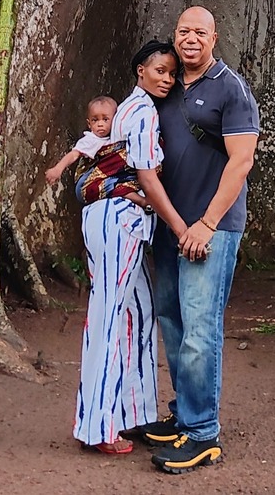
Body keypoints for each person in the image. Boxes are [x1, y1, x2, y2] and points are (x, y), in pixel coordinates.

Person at [140, 6, 260, 473]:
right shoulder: (166, 87)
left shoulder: (231, 90)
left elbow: (241, 162)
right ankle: (185, 416)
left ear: (215, 37)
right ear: (175, 36)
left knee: (200, 328)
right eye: (183, 31)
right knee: (172, 320)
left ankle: (204, 433)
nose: (191, 39)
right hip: (171, 227)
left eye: (200, 32)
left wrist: (206, 224)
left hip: (210, 229)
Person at [72, 43, 189, 456]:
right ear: (141, 70)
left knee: (138, 314)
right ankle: (97, 427)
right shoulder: (139, 112)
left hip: (127, 223)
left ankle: (133, 415)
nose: (167, 78)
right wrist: (178, 224)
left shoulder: (136, 109)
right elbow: (145, 175)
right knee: (107, 317)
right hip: (117, 219)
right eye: (159, 70)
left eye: (172, 74)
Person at [43, 95, 117, 187]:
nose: (100, 124)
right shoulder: (90, 139)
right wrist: (58, 169)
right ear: (89, 124)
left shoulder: (116, 136)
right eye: (95, 120)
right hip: (90, 182)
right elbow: (74, 154)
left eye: (105, 119)